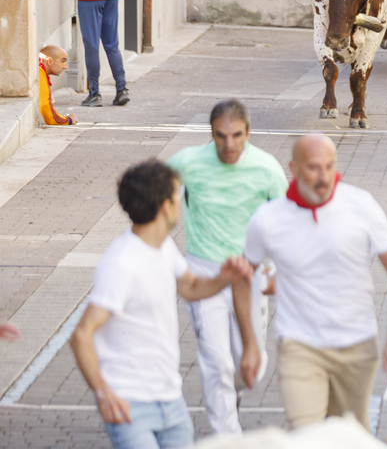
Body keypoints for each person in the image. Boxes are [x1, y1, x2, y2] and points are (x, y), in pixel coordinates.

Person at [70, 160, 255, 449]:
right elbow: (81, 335)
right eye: (178, 197)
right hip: (130, 405)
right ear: (166, 206)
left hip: (172, 402)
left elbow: (191, 287)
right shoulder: (122, 262)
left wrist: (224, 278)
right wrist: (103, 392)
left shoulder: (163, 247)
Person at [242, 133, 387, 429]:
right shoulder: (268, 219)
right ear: (293, 168)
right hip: (299, 345)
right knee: (305, 436)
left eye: (329, 166)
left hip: (356, 345)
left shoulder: (362, 206)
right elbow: (243, 278)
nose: (324, 177)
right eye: (313, 168)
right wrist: (250, 343)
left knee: (350, 437)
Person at [166, 100, 286, 436]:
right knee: (216, 362)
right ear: (212, 133)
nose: (229, 145)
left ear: (249, 133)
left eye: (236, 136)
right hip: (204, 273)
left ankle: (229, 395)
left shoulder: (268, 169)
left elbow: (285, 222)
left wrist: (277, 268)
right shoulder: (187, 163)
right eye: (221, 136)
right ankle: (228, 436)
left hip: (251, 276)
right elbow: (156, 202)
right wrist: (165, 249)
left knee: (252, 366)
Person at [38, 45, 76, 126]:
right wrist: (69, 120)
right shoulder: (39, 73)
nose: (65, 67)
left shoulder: (38, 68)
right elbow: (51, 118)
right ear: (49, 61)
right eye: (63, 61)